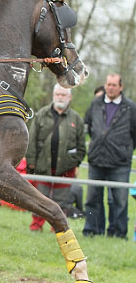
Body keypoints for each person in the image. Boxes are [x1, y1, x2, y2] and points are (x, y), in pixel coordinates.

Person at [25, 84, 86, 231]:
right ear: (53, 95)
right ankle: (36, 226)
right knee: (40, 198)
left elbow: (81, 147)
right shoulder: (41, 115)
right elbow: (31, 140)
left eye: (63, 95)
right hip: (42, 166)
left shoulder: (76, 119)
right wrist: (32, 162)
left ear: (69, 97)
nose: (60, 97)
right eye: (58, 94)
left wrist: (72, 163)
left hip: (66, 168)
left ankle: (57, 228)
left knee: (62, 200)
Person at [82, 74, 136, 238]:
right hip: (97, 159)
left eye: (114, 85)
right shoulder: (96, 104)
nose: (110, 87)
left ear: (121, 87)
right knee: (92, 199)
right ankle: (91, 230)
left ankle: (118, 233)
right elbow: (90, 126)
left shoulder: (130, 108)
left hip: (120, 162)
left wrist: (124, 150)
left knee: (120, 201)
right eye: (108, 84)